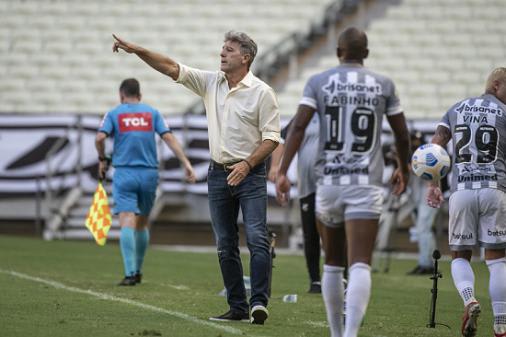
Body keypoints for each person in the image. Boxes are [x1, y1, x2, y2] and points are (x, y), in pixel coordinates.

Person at [112, 31, 280, 324]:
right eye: (222, 48)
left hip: (251, 175)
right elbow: (170, 67)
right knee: (225, 243)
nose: (221, 53)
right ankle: (238, 307)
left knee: (256, 237)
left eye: (228, 50)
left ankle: (258, 303)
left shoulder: (262, 92)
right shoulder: (210, 82)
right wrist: (136, 49)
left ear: (246, 57)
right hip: (217, 174)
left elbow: (272, 139)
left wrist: (247, 164)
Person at [276, 27, 410, 337]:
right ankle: (349, 335)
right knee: (360, 262)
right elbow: (401, 135)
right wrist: (402, 167)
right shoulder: (383, 84)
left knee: (333, 264)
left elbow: (297, 127)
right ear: (366, 53)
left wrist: (283, 171)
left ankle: (336, 334)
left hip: (328, 182)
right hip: (364, 182)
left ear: (338, 51)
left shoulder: (318, 82)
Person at [427, 67, 506, 337]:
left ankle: (470, 300)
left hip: (461, 190)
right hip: (495, 189)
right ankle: (501, 323)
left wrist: (433, 184)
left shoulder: (456, 108)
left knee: (460, 255)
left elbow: (436, 145)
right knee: (497, 261)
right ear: (496, 85)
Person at [95, 78, 196, 286]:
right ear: (139, 96)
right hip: (149, 175)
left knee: (127, 222)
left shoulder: (114, 113)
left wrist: (102, 159)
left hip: (124, 173)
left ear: (121, 95)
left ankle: (130, 272)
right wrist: (185, 161)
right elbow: (168, 138)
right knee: (141, 224)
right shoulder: (152, 113)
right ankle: (139, 270)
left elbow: (99, 138)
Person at [268, 114, 325, 293]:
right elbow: (283, 138)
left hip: (335, 184)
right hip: (308, 184)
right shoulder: (305, 113)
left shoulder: (341, 110)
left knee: (337, 231)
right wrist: (277, 168)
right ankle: (315, 280)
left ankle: (344, 276)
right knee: (310, 231)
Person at [407, 131, 438, 275]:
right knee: (425, 231)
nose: (415, 144)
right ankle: (430, 263)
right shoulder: (411, 156)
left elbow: (418, 171)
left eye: (417, 141)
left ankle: (426, 264)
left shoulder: (427, 155)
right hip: (419, 198)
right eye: (413, 140)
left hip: (430, 196)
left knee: (423, 229)